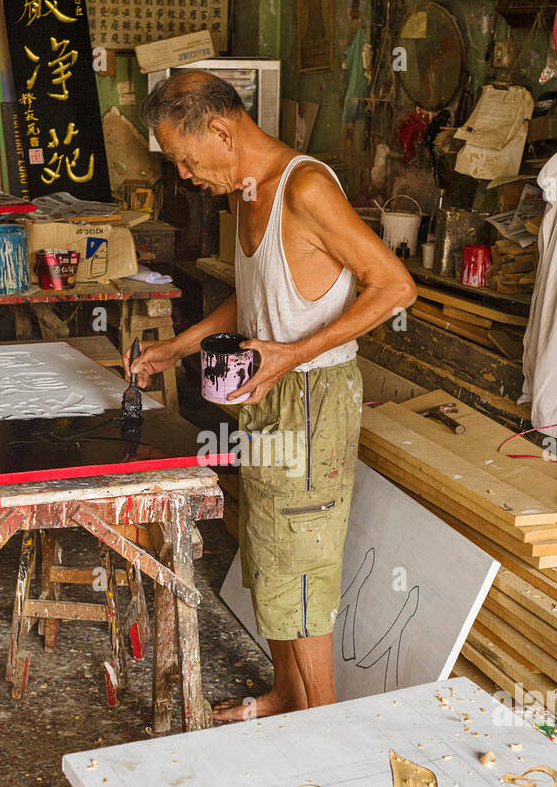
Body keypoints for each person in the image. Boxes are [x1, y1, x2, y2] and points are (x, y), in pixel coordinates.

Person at [133, 70, 416, 722]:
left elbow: (393, 287)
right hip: (267, 392)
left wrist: (289, 353)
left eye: (183, 155)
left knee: (303, 566)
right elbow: (255, 294)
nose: (183, 173)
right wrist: (179, 346)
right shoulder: (243, 192)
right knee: (270, 551)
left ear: (222, 129)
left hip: (313, 398)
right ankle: (287, 697)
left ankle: (320, 732)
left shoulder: (306, 187)